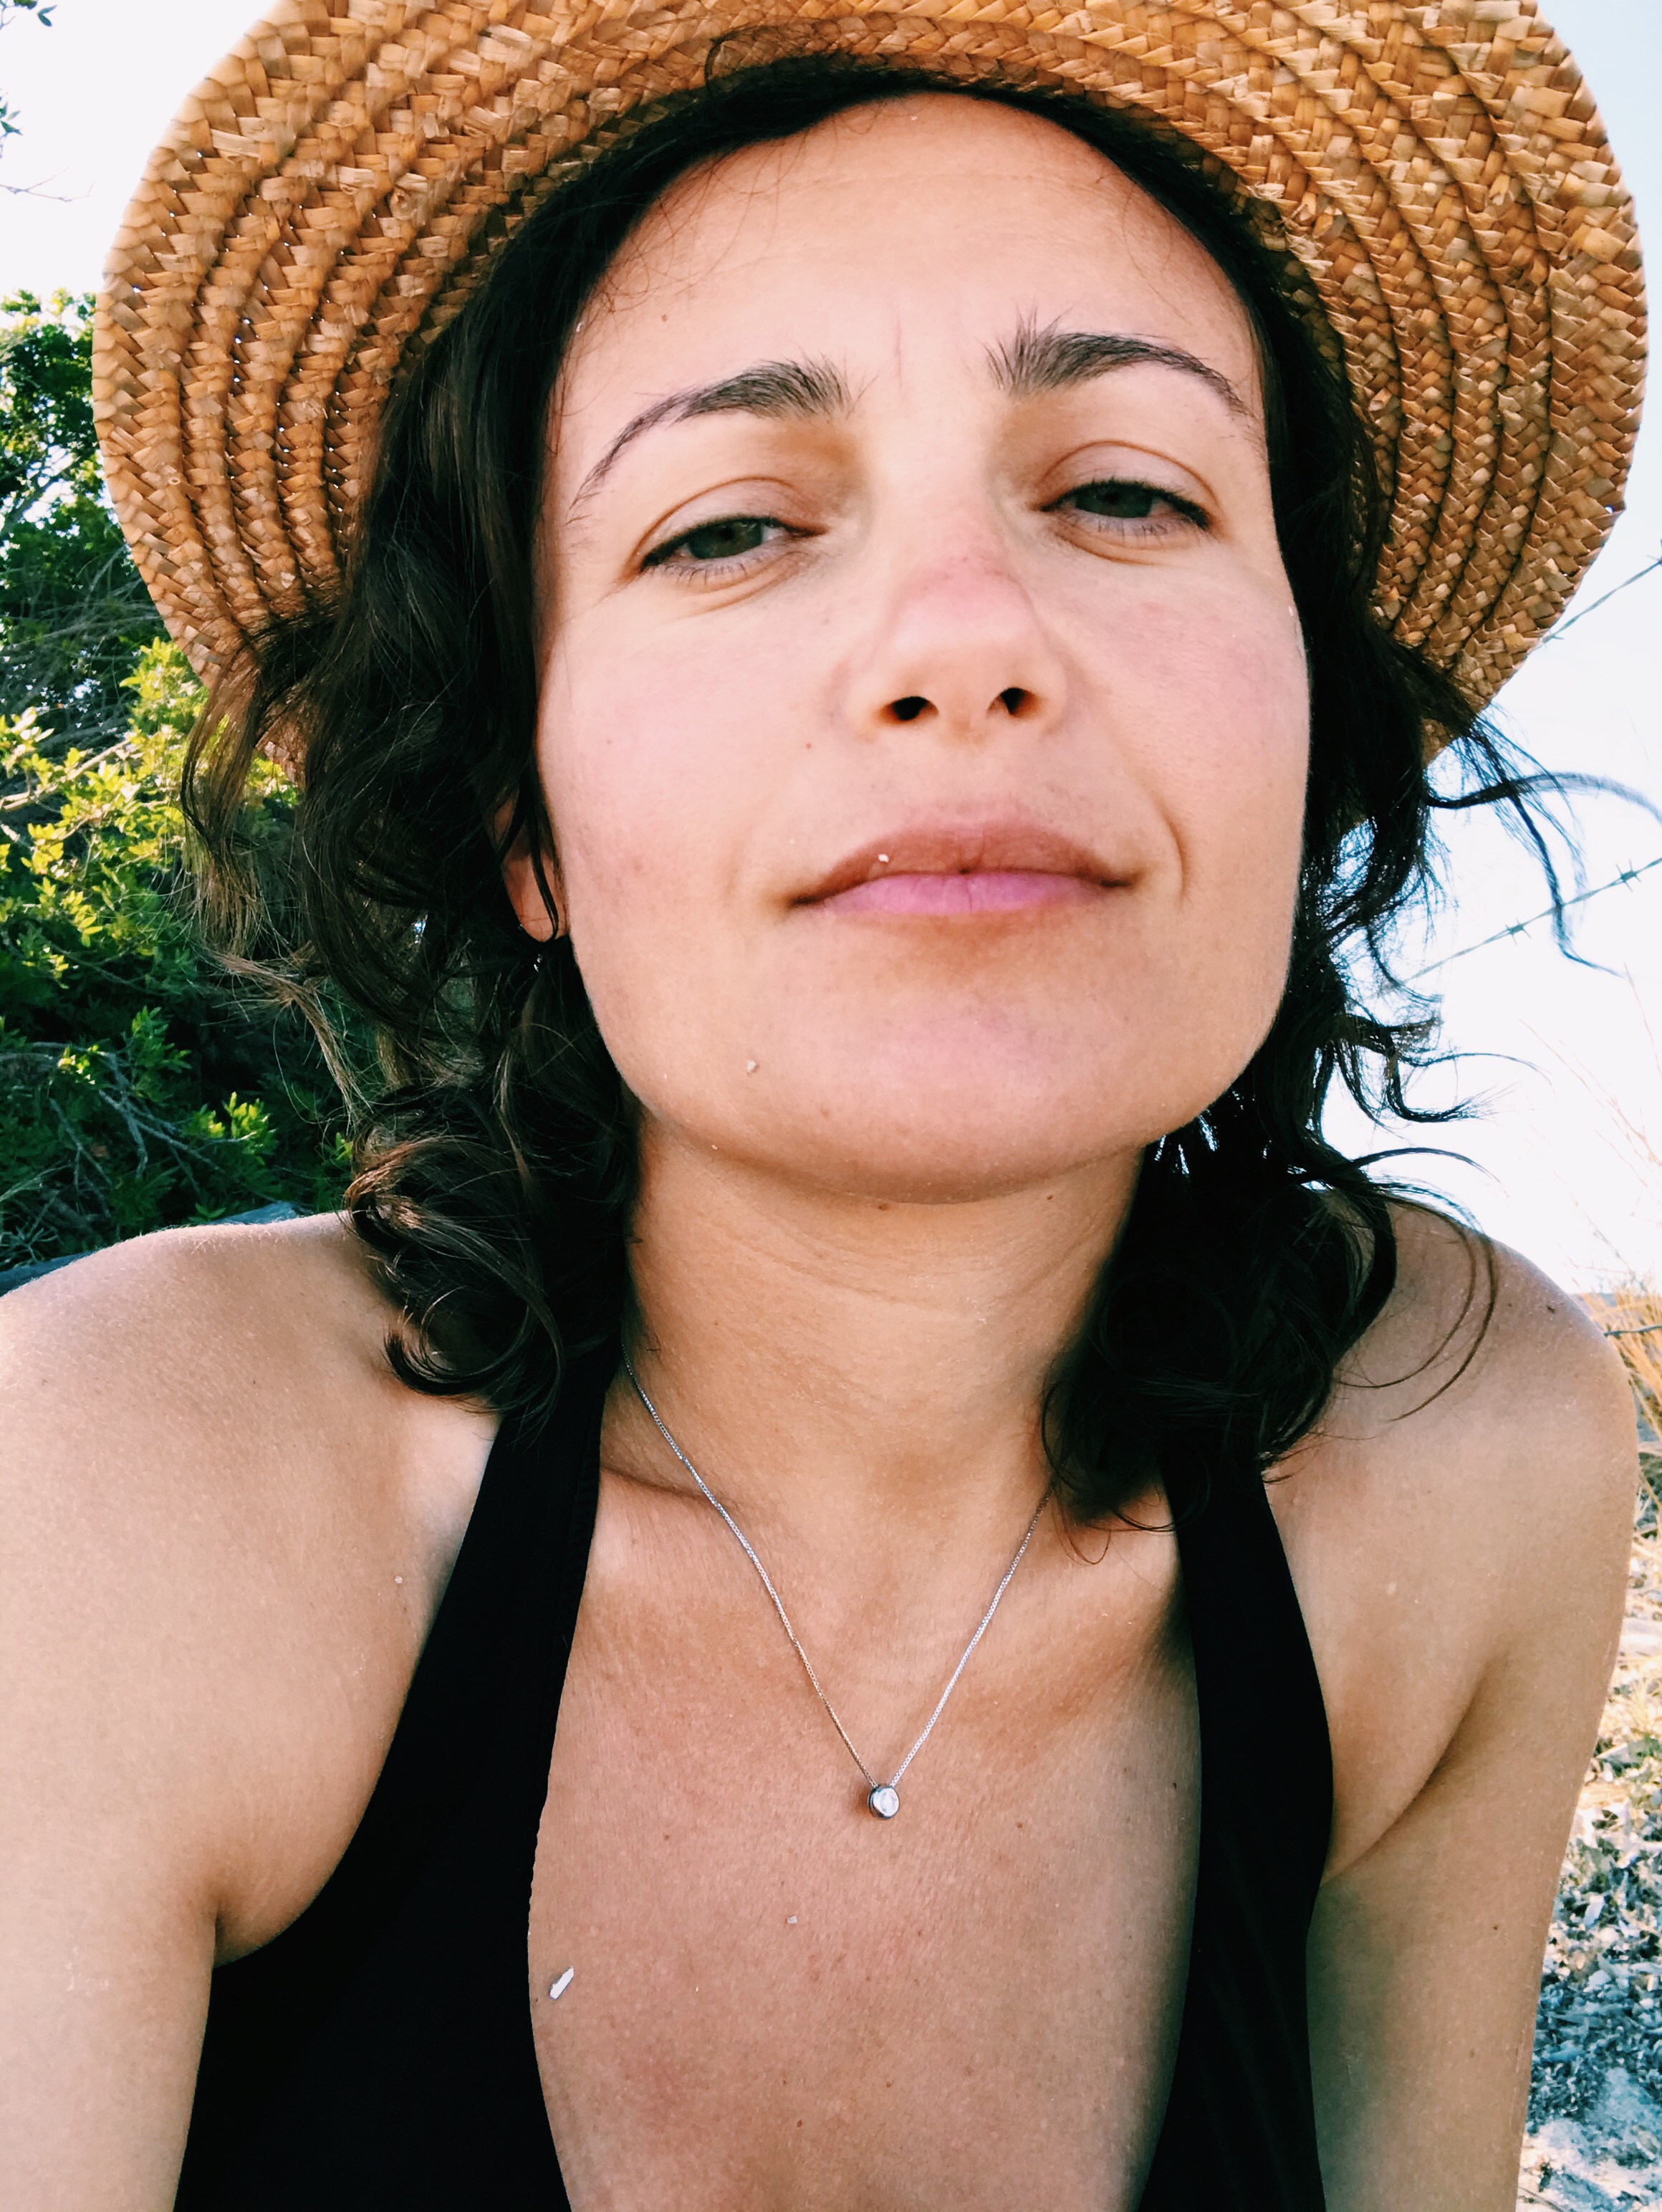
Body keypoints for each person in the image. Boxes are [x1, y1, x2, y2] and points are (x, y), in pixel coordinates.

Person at [1, 6, 1646, 2208]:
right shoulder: (121, 1493)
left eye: (1127, 492)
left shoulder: (1460, 1452)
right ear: (521, 816)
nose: (963, 643)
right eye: (727, 530)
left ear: (1310, 727)